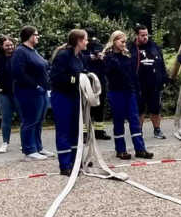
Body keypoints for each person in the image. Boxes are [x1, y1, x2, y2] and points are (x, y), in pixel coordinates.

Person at [104, 31, 153, 160]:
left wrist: (137, 90)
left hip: (129, 91)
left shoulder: (127, 57)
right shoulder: (108, 57)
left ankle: (140, 149)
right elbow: (109, 72)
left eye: (125, 42)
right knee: (119, 121)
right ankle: (120, 150)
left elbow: (133, 75)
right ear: (114, 41)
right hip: (116, 92)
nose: (124, 44)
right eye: (121, 41)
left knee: (134, 120)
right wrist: (113, 58)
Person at [49, 29, 88, 176]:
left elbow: (82, 71)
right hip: (62, 96)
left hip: (74, 96)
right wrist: (77, 79)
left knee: (75, 130)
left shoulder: (80, 56)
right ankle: (65, 165)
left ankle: (75, 161)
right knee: (64, 130)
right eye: (85, 39)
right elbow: (56, 76)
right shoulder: (63, 55)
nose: (87, 42)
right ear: (78, 41)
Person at [11, 25, 51, 160]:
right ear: (29, 36)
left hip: (41, 92)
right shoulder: (20, 52)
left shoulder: (33, 51)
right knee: (30, 120)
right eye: (36, 34)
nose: (38, 37)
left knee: (39, 120)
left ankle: (38, 147)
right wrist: (36, 86)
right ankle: (29, 150)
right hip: (28, 92)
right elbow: (18, 73)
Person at [131, 24, 169, 140]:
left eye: (147, 35)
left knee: (155, 109)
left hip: (154, 85)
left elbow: (161, 64)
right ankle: (139, 131)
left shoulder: (154, 47)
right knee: (140, 110)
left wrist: (164, 78)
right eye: (142, 35)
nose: (145, 37)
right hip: (139, 85)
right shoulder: (131, 48)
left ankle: (157, 130)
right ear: (136, 35)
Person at [82, 30, 110, 140]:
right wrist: (90, 57)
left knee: (100, 106)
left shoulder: (100, 47)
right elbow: (80, 60)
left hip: (100, 81)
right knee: (85, 107)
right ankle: (84, 133)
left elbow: (106, 63)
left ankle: (99, 131)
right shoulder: (82, 50)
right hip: (87, 81)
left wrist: (102, 57)